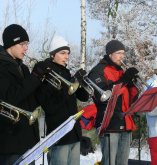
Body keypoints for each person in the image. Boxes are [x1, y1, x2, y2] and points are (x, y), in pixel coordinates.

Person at [36, 36, 90, 165]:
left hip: (74, 133)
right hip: (58, 135)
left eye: (68, 54)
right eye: (63, 53)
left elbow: (84, 97)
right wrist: (70, 84)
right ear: (52, 54)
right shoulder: (45, 74)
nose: (67, 57)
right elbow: (49, 106)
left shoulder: (66, 72)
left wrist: (80, 82)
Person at [0, 24, 49, 165]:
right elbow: (9, 98)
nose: (26, 48)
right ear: (11, 44)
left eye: (26, 44)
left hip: (28, 142)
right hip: (10, 145)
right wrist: (34, 78)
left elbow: (32, 102)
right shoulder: (1, 68)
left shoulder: (23, 68)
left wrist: (42, 82)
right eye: (22, 44)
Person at [88, 40, 139, 165]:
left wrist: (132, 84)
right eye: (118, 53)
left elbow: (133, 100)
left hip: (126, 123)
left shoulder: (121, 71)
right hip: (109, 124)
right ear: (110, 54)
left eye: (123, 53)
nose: (122, 56)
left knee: (122, 163)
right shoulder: (98, 71)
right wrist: (125, 79)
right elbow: (104, 96)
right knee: (109, 162)